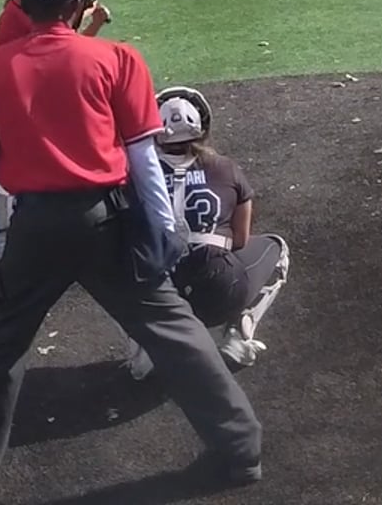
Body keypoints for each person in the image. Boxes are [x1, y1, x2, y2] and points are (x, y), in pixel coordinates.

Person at [0, 0, 262, 503]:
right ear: (80, 3)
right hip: (109, 221)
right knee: (175, 332)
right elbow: (143, 158)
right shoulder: (117, 57)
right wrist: (164, 228)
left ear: (22, 4)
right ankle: (241, 451)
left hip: (35, 228)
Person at [122, 86, 291, 381]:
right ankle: (239, 335)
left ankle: (145, 347)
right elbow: (240, 240)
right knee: (276, 248)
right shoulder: (226, 168)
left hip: (159, 299)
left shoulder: (134, 174)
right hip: (218, 290)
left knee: (122, 269)